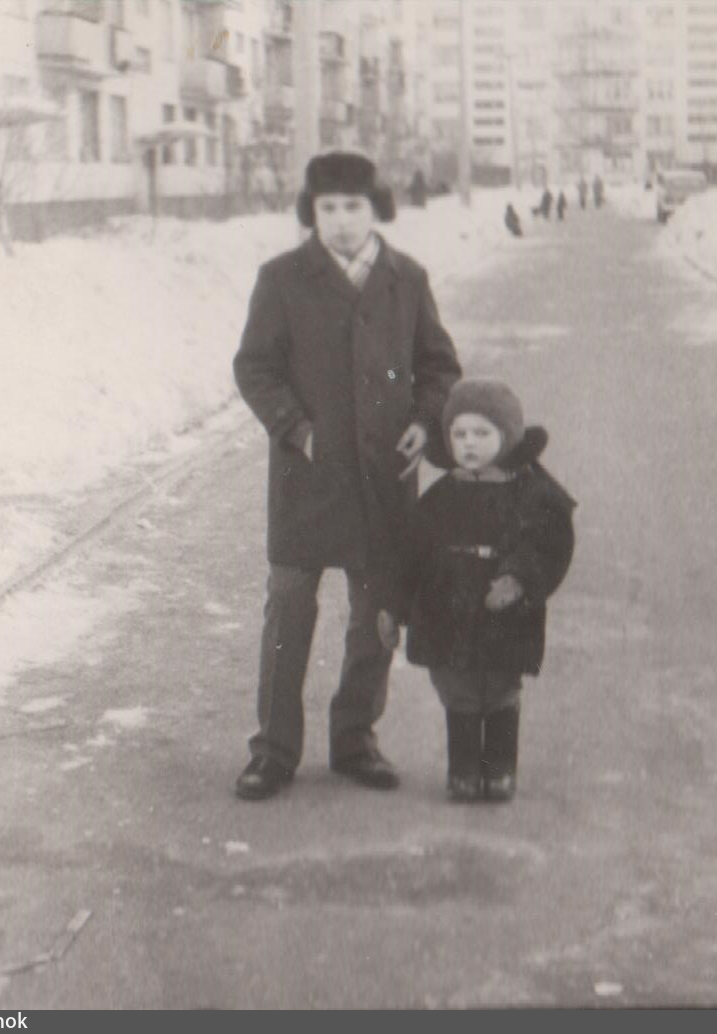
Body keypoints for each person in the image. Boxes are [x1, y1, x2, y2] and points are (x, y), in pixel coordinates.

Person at [232, 151, 463, 801]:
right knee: (289, 609)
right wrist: (295, 428)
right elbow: (254, 367)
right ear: (311, 212)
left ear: (376, 209)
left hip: (383, 480)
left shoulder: (406, 279)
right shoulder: (282, 279)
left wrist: (426, 420)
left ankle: (355, 738)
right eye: (327, 208)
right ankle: (273, 749)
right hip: (307, 479)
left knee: (376, 614)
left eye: (353, 207)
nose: (339, 220)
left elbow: (439, 366)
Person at [378, 378, 576, 802]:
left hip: (503, 612)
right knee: (459, 691)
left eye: (482, 433)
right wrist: (392, 607)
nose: (469, 443)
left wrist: (518, 578)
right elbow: (410, 555)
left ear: (508, 435)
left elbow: (548, 543)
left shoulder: (530, 493)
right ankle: (464, 770)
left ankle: (499, 768)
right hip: (448, 611)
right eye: (460, 434)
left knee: (500, 688)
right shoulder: (440, 496)